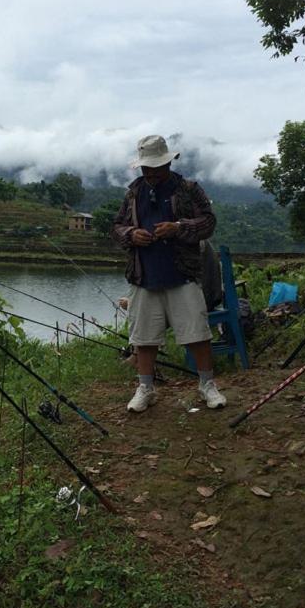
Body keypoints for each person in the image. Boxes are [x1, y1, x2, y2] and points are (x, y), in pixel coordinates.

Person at [111, 135, 226, 412]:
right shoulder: (132, 193)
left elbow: (208, 222)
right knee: (144, 337)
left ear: (167, 162)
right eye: (146, 168)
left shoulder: (188, 189)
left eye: (155, 167)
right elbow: (116, 227)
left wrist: (178, 227)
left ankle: (207, 385)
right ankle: (145, 388)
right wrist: (131, 234)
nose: (150, 173)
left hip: (181, 273)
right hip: (144, 275)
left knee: (197, 332)